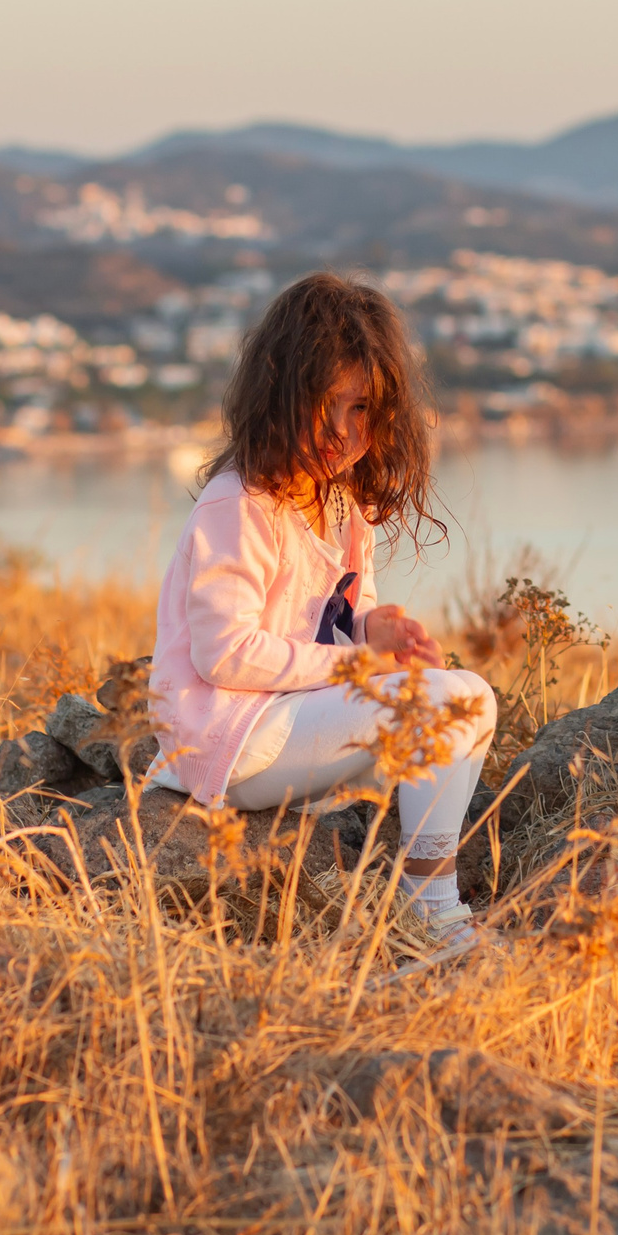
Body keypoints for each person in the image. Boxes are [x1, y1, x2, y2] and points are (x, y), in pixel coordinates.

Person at [145, 272, 497, 943]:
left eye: (363, 409)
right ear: (280, 396)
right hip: (229, 737)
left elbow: (340, 618)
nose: (343, 431)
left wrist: (374, 629)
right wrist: (363, 665)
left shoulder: (342, 503)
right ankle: (435, 916)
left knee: (470, 699)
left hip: (290, 718)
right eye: (326, 405)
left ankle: (430, 893)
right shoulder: (240, 504)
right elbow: (225, 654)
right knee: (441, 702)